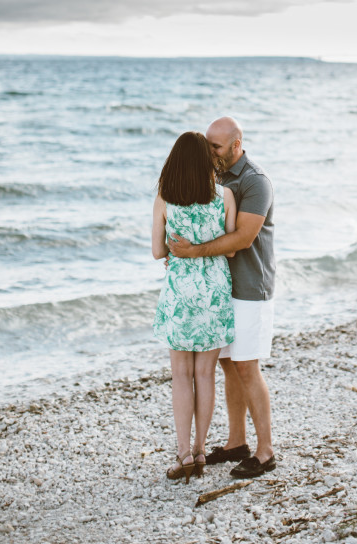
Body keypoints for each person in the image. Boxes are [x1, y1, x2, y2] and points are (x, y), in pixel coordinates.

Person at [168, 117, 276, 479]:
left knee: (247, 365)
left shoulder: (255, 181)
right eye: (207, 146)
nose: (210, 152)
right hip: (220, 290)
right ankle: (236, 442)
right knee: (229, 365)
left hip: (249, 288)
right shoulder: (217, 180)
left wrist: (191, 252)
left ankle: (265, 451)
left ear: (236, 144)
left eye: (215, 147)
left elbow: (243, 238)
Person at [151, 131, 237, 483]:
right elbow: (231, 247)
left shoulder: (165, 198)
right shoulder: (225, 196)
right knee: (206, 375)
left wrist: (176, 251)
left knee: (181, 377)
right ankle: (202, 450)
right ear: (206, 161)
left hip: (180, 292)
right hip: (215, 290)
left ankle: (184, 453)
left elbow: (158, 252)